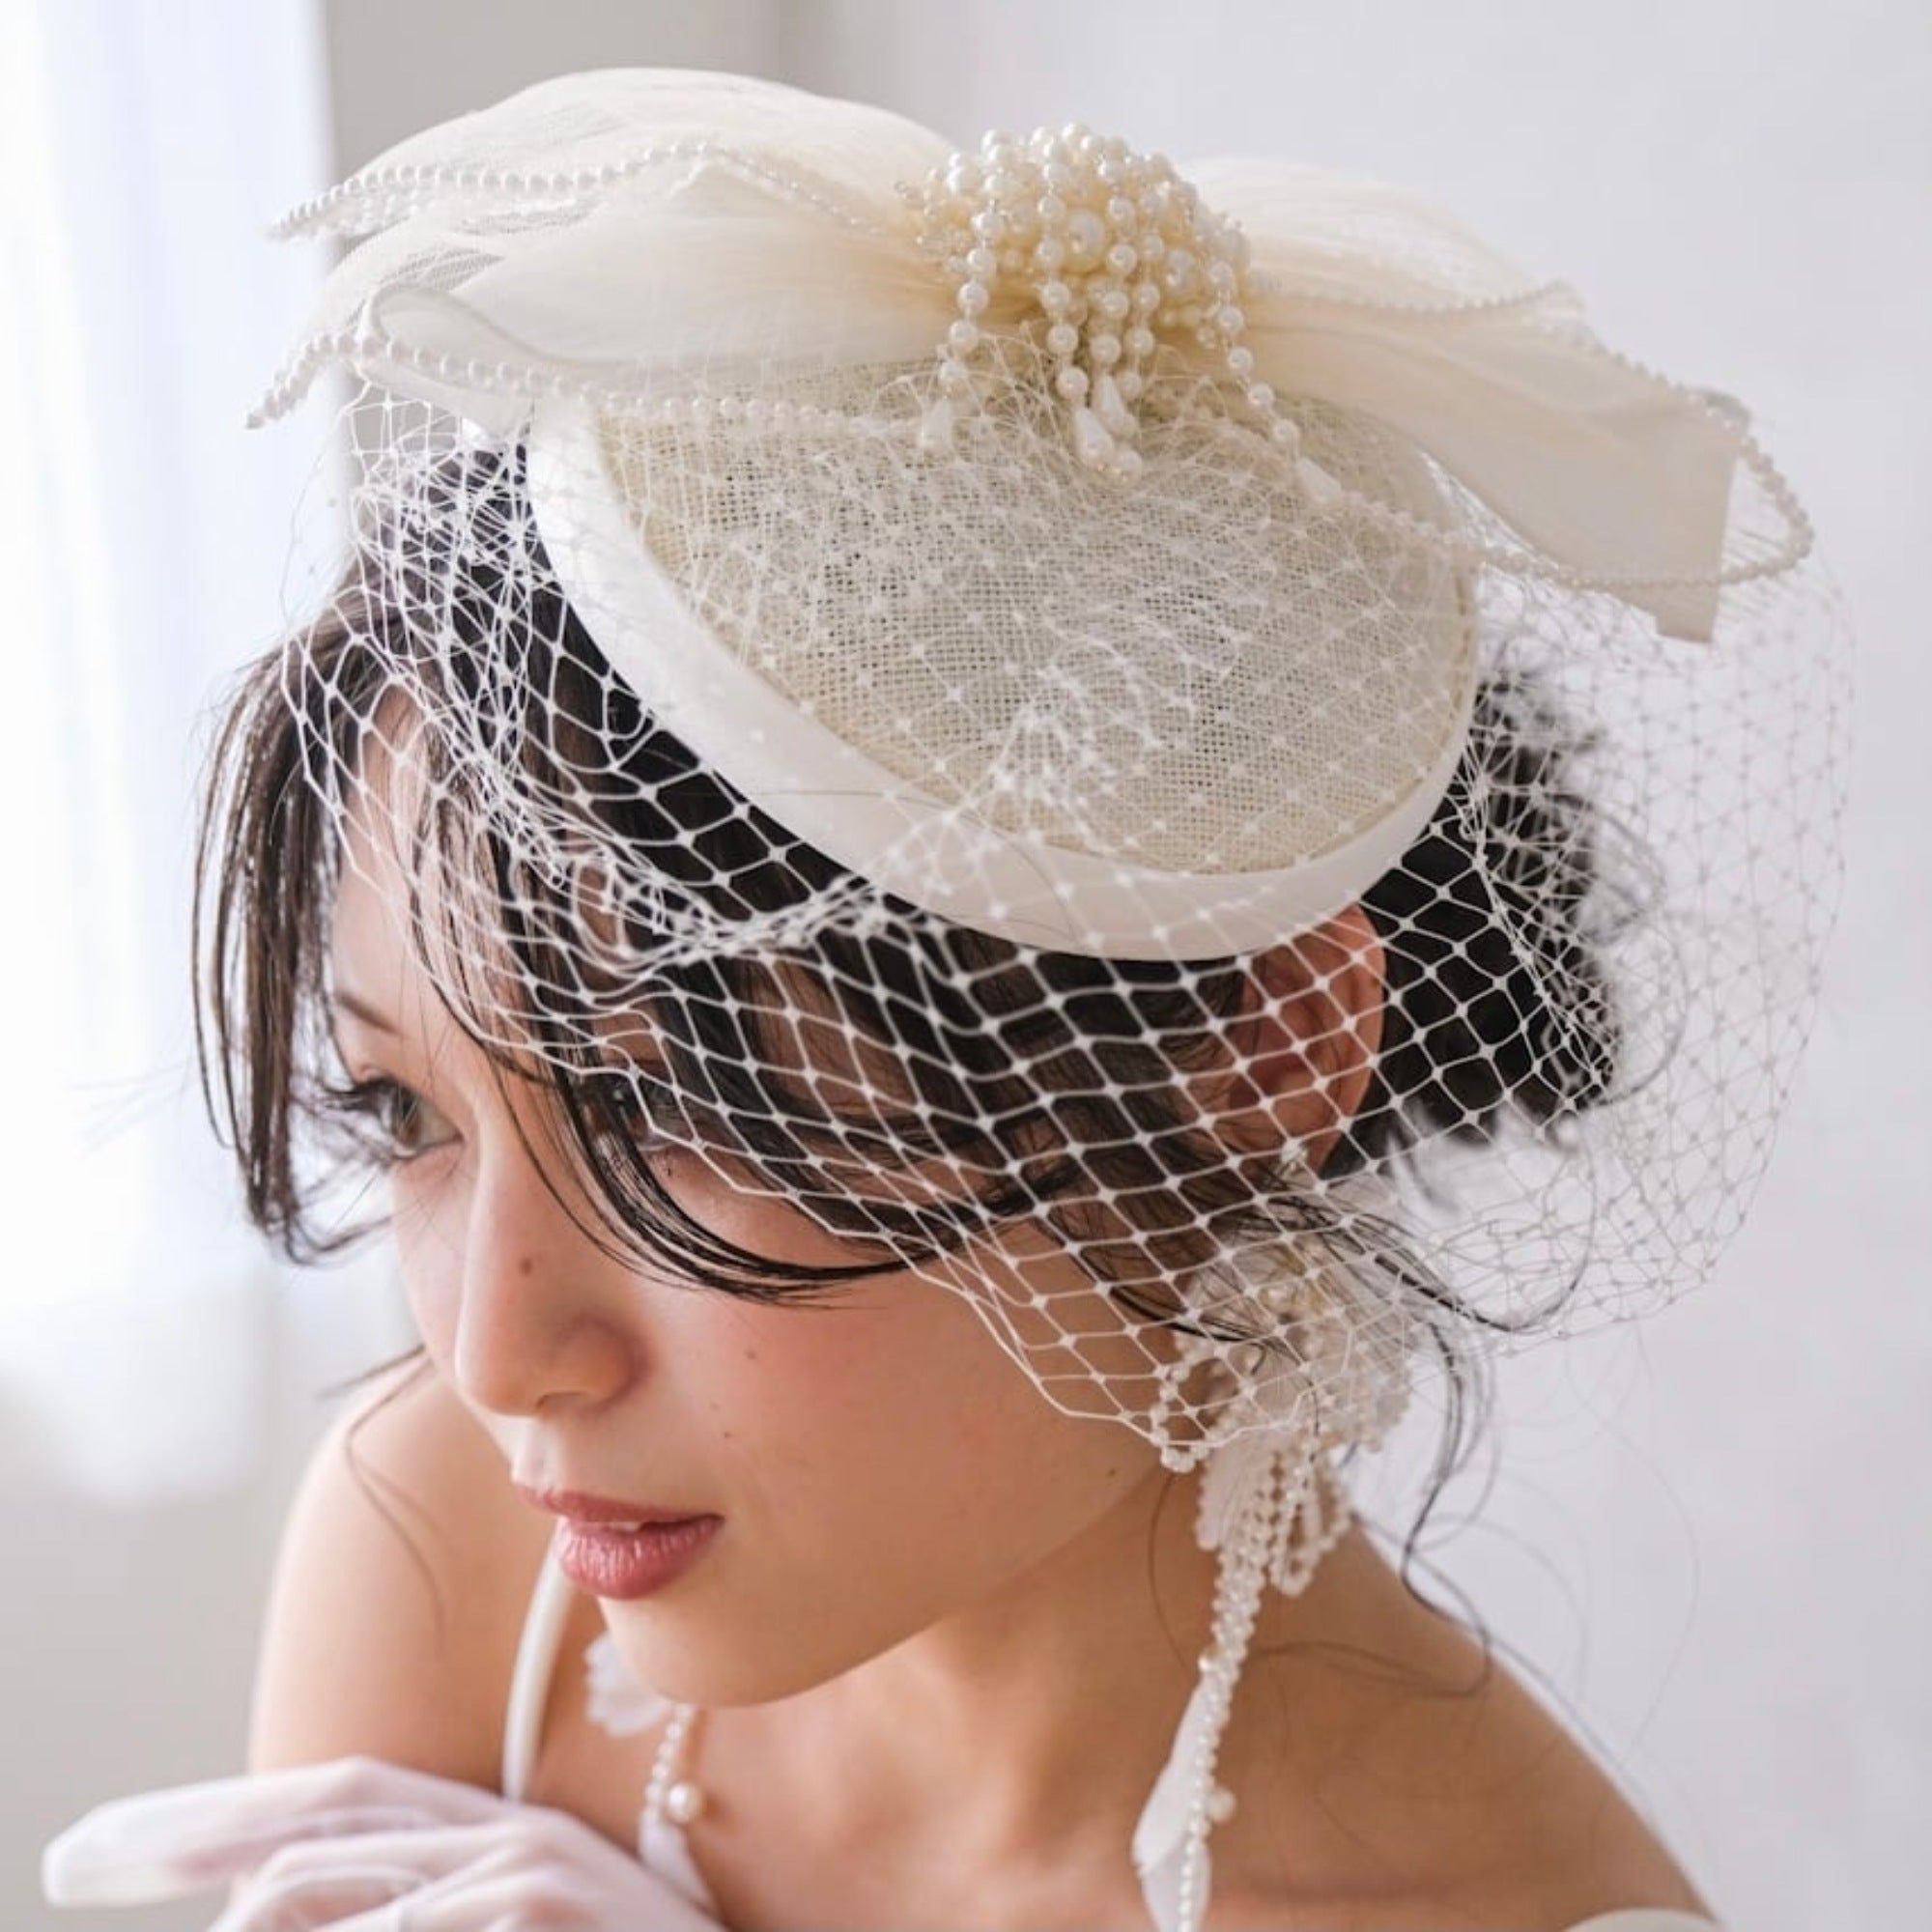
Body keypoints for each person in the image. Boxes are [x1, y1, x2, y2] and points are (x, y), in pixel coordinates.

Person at [43, 68, 1840, 1932]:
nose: (496, 1356)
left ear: (1264, 1047)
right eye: (406, 1112)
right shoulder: (448, 1544)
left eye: (671, 1107)